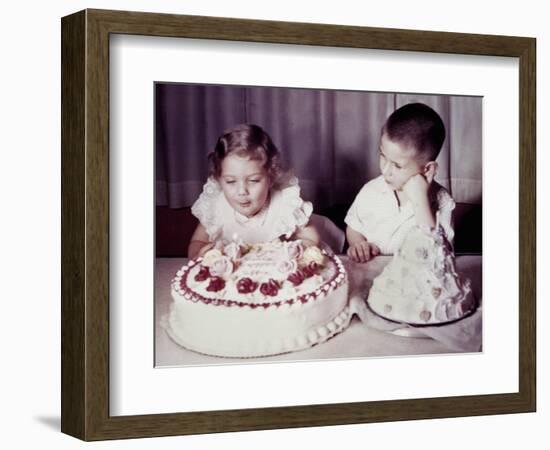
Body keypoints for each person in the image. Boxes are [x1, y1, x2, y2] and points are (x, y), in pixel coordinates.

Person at [188, 124, 320, 259]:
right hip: (232, 278)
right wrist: (201, 254)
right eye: (231, 182)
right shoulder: (215, 207)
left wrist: (299, 249)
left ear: (271, 177)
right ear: (219, 179)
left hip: (277, 275)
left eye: (254, 180)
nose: (242, 191)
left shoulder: (285, 204)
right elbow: (197, 242)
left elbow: (311, 238)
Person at [345, 102, 455, 263]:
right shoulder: (371, 190)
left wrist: (420, 201)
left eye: (397, 165)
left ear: (427, 170)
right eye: (382, 155)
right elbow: (354, 227)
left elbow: (440, 259)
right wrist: (358, 244)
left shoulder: (444, 202)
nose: (385, 170)